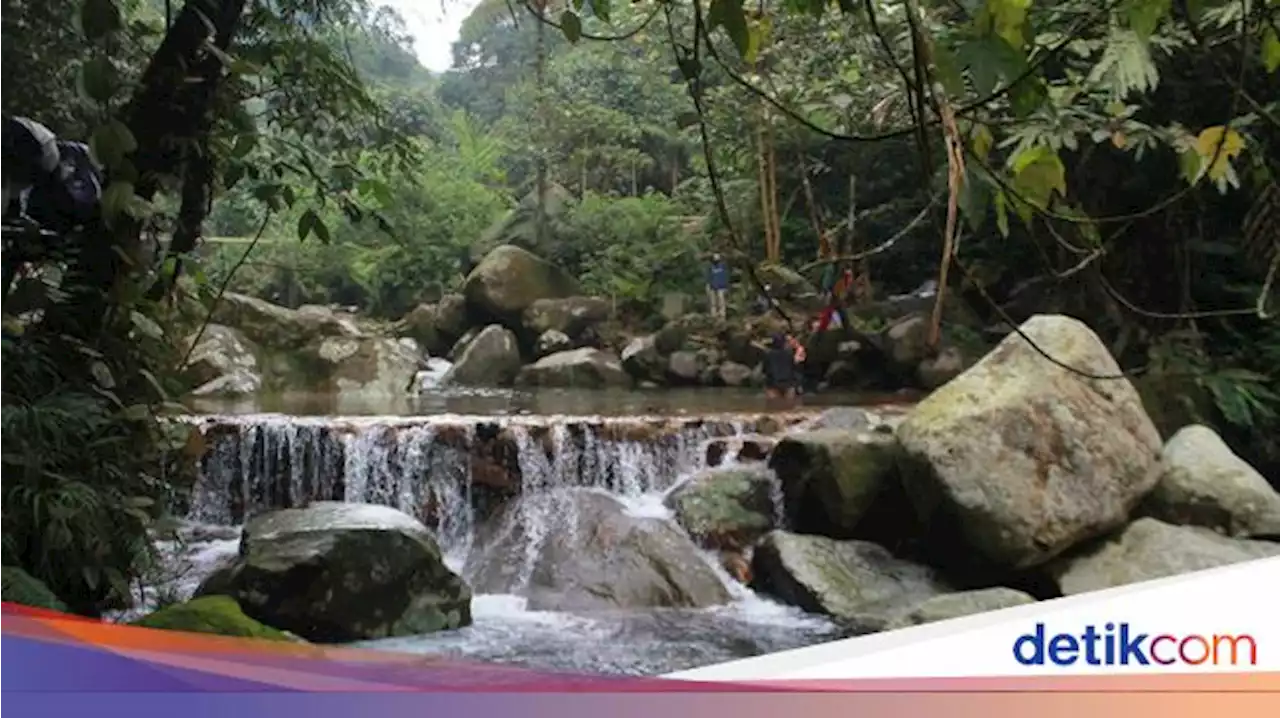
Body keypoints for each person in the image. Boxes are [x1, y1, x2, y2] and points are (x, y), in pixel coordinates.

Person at [763, 332, 804, 403]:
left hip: (773, 383)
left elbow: (765, 369)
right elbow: (794, 368)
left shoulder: (768, 354)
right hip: (788, 383)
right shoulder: (789, 353)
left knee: (773, 406)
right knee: (789, 406)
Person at [706, 252, 729, 320]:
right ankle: (714, 315)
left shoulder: (723, 266)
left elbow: (726, 276)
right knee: (713, 302)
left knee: (721, 302)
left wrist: (726, 286)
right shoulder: (711, 267)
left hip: (721, 287)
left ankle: (722, 315)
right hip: (713, 287)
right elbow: (709, 277)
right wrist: (708, 285)